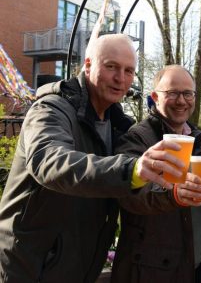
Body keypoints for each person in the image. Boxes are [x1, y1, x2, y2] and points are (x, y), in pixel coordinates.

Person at [0, 34, 185, 282]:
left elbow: (130, 192)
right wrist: (131, 169)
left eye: (129, 71)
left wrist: (175, 192)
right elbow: (50, 162)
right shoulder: (51, 109)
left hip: (80, 264)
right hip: (30, 265)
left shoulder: (118, 126)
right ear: (88, 65)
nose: (121, 78)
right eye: (111, 67)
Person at [111, 65, 201, 282]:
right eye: (172, 93)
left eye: (187, 93)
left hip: (200, 262)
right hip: (154, 270)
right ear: (155, 97)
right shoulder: (137, 138)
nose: (181, 101)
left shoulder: (197, 138)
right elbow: (130, 194)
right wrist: (173, 193)